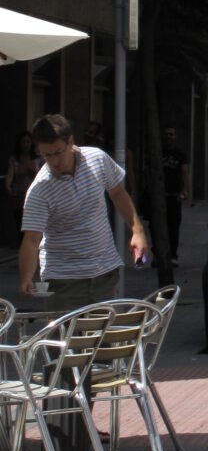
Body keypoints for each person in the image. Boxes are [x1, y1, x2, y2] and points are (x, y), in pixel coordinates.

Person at [18, 112, 149, 311]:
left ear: (70, 142)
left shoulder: (97, 159)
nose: (54, 161)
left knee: (104, 340)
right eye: (47, 155)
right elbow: (31, 239)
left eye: (58, 152)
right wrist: (26, 277)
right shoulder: (40, 189)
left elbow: (118, 193)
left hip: (104, 272)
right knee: (66, 341)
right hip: (64, 281)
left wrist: (137, 230)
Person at [160, 124, 190, 265]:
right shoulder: (158, 151)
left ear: (175, 137)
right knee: (158, 226)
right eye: (166, 134)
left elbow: (185, 173)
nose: (168, 137)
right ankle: (158, 254)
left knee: (173, 226)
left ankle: (173, 255)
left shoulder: (180, 154)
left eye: (171, 134)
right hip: (160, 195)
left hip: (174, 195)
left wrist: (185, 190)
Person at [2, 129, 38, 246]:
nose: (26, 144)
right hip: (19, 195)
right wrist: (8, 186)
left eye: (28, 142)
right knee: (20, 222)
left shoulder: (37, 159)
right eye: (23, 142)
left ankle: (31, 243)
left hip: (33, 195)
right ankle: (22, 244)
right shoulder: (15, 159)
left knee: (31, 221)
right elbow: (10, 174)